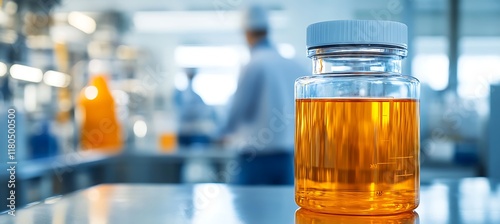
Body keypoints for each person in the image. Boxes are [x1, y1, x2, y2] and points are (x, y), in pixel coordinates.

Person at [219, 5, 307, 185]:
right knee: (283, 209)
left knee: (248, 210)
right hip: (287, 158)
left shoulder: (254, 64)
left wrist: (220, 133)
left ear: (247, 33)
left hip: (255, 159)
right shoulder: (294, 64)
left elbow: (238, 110)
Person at [175, 68, 216, 146]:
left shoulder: (197, 97)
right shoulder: (179, 95)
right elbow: (181, 112)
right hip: (182, 134)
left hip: (196, 134)